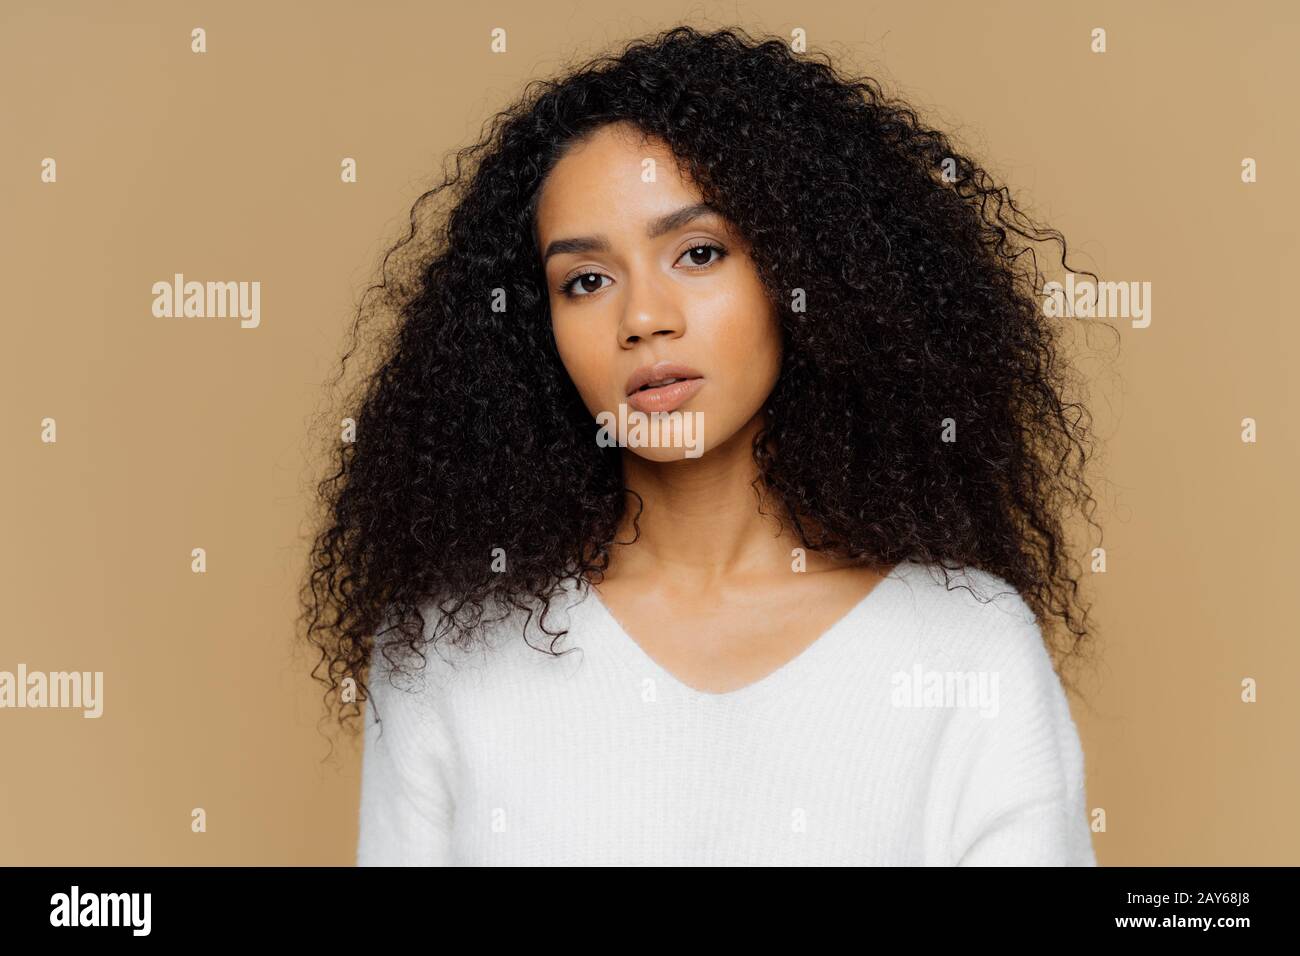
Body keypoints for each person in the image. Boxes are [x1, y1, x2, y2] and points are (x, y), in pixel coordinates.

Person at [299, 25, 1108, 865]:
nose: (644, 317)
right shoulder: (443, 654)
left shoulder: (966, 648)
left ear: (806, 275)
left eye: (698, 253)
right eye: (585, 280)